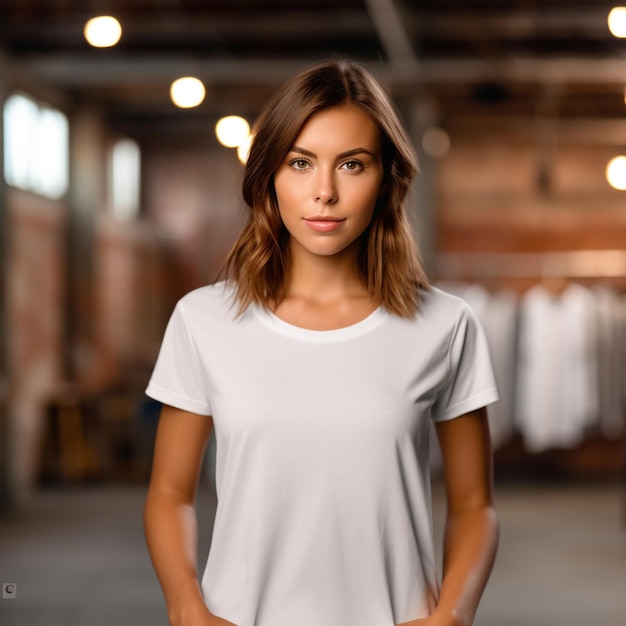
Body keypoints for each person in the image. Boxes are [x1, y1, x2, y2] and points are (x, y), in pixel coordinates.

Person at [144, 59, 499, 626]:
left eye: (352, 164)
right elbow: (169, 493)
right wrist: (187, 609)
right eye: (300, 163)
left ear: (388, 178)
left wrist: (450, 618)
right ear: (269, 177)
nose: (325, 192)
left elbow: (474, 506)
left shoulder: (445, 325)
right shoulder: (203, 320)